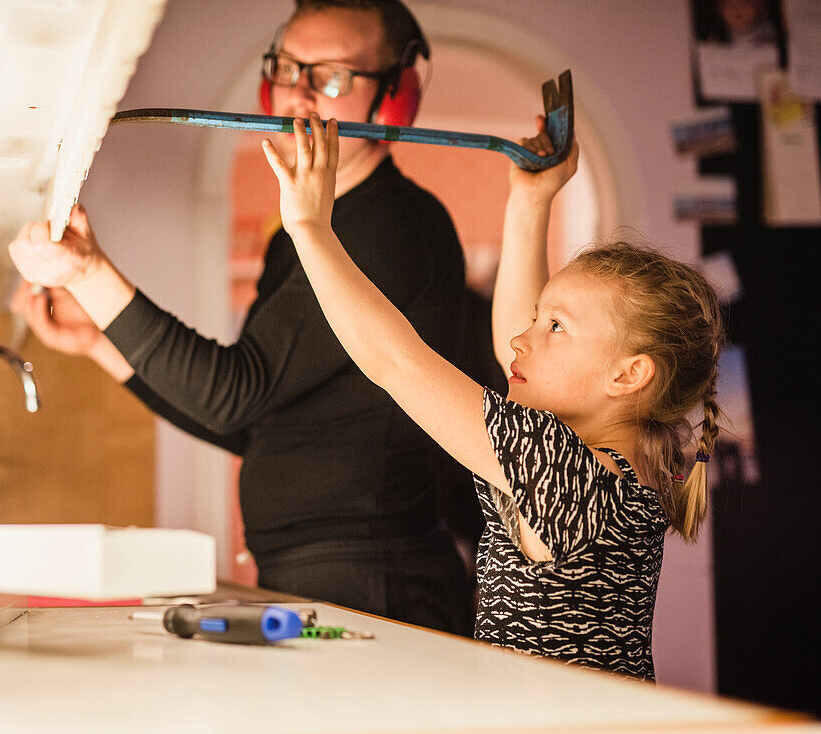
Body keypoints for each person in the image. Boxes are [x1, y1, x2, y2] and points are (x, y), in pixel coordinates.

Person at [7, 0, 481, 634]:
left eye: (332, 76)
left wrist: (90, 276)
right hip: (323, 569)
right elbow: (256, 423)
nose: (299, 94)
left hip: (375, 578)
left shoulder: (386, 226)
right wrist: (99, 344)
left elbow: (235, 393)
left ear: (393, 101)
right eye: (287, 68)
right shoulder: (307, 231)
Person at [260, 113, 724, 679]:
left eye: (555, 326)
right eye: (540, 317)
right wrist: (531, 202)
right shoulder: (620, 464)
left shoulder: (566, 470)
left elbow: (396, 363)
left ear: (628, 376)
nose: (520, 339)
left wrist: (311, 229)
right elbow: (518, 359)